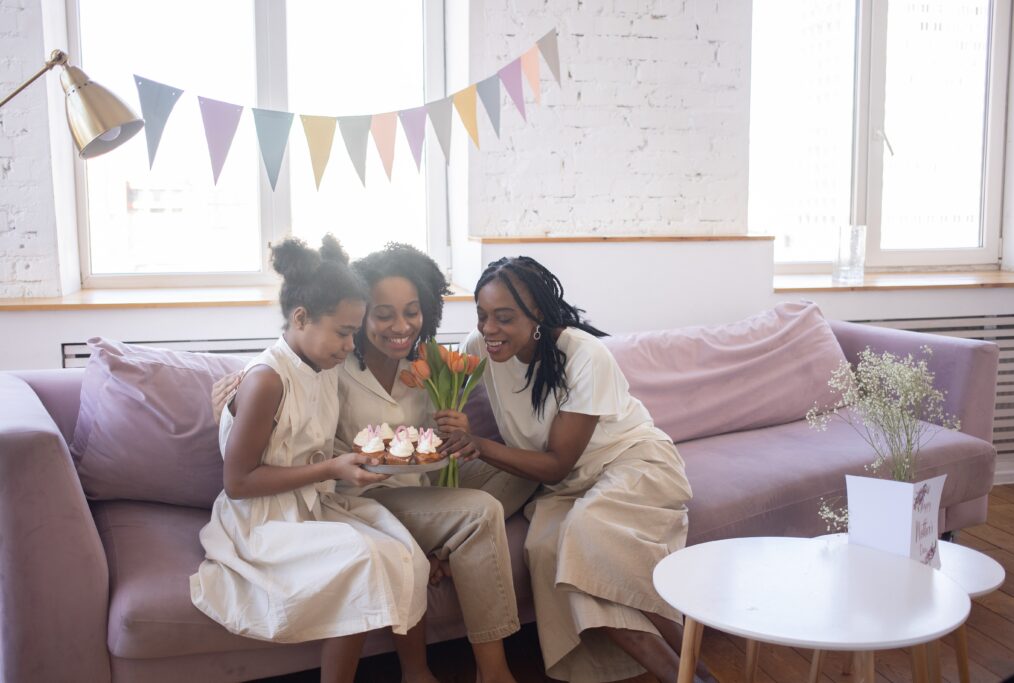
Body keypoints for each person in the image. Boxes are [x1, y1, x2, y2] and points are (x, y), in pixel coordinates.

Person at [212, 242, 532, 683]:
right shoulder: (332, 363)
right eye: (382, 315)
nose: (400, 326)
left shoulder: (426, 364)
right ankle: (486, 670)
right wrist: (231, 401)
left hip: (415, 484)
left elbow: (424, 444)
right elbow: (272, 414)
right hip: (357, 492)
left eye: (412, 311)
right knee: (477, 514)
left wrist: (454, 426)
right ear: (359, 317)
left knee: (524, 470)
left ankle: (432, 550)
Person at [191, 235, 434, 683]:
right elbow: (238, 482)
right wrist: (330, 469)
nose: (349, 345)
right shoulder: (267, 381)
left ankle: (417, 673)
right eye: (343, 332)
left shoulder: (323, 365)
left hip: (311, 504)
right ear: (300, 318)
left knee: (404, 552)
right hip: (262, 521)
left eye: (353, 333)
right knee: (361, 558)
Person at [457, 256, 695, 683]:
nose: (488, 329)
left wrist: (478, 444)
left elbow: (555, 464)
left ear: (538, 316)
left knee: (583, 534)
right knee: (546, 551)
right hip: (569, 485)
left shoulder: (583, 354)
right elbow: (439, 381)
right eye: (482, 315)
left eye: (504, 318)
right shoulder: (480, 348)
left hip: (630, 462)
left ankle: (685, 672)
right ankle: (690, 675)